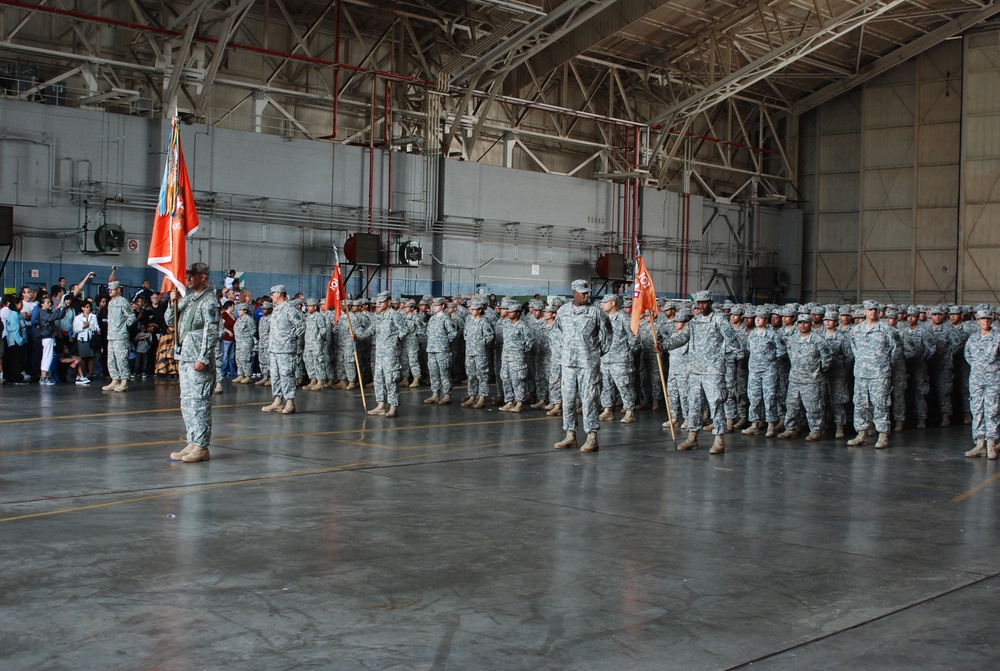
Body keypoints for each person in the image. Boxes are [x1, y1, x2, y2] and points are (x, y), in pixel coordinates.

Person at [660, 290, 739, 454]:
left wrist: (723, 356)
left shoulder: (719, 319)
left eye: (704, 303)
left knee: (716, 404)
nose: (701, 306)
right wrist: (664, 346)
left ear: (710, 302)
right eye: (698, 303)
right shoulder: (694, 322)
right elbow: (682, 338)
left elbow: (733, 341)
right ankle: (692, 437)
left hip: (713, 371)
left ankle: (719, 439)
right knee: (694, 405)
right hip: (695, 370)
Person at [164, 263, 221, 463]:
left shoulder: (209, 300)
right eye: (186, 275)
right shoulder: (187, 299)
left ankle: (202, 446)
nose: (187, 278)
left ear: (203, 276)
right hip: (185, 358)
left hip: (198, 359)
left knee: (199, 403)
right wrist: (172, 303)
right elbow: (170, 322)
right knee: (187, 403)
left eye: (192, 275)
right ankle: (192, 441)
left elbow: (212, 331)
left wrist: (204, 357)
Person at [553, 280, 612, 453]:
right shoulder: (563, 311)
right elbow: (556, 334)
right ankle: (570, 435)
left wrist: (596, 353)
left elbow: (608, 334)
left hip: (588, 364)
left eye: (587, 292)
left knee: (590, 400)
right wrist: (561, 354)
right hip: (569, 364)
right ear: (574, 293)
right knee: (568, 399)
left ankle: (592, 437)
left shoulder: (595, 312)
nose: (586, 295)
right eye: (583, 293)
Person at [847, 300, 898, 448]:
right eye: (869, 309)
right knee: (860, 404)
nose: (872, 312)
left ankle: (882, 436)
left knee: (880, 404)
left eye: (875, 309)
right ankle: (861, 434)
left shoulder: (887, 329)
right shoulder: (857, 330)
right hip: (861, 373)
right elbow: (854, 349)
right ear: (864, 311)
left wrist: (884, 364)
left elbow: (896, 350)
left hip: (879, 373)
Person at [779, 314, 833, 441]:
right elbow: (789, 354)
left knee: (813, 407)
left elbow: (827, 357)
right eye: (800, 323)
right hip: (795, 379)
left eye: (805, 323)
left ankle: (815, 431)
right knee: (792, 406)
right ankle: (791, 429)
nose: (802, 325)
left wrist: (819, 370)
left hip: (811, 380)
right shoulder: (792, 339)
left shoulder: (818, 340)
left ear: (811, 324)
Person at [357, 291, 409, 417]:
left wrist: (395, 340)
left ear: (389, 302)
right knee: (379, 379)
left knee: (391, 379)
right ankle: (381, 405)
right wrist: (357, 336)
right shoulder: (377, 316)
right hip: (379, 353)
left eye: (381, 302)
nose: (378, 304)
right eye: (377, 302)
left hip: (390, 353)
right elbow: (370, 330)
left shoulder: (394, 315)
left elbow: (404, 330)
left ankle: (393, 406)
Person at [742, 306, 787, 437]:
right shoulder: (753, 334)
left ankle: (771, 425)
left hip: (769, 371)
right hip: (754, 371)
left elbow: (782, 350)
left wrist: (771, 359)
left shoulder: (773, 334)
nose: (757, 320)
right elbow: (749, 349)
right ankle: (755, 424)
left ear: (766, 320)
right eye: (756, 318)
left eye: (761, 318)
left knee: (770, 398)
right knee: (754, 398)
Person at [262, 285, 305, 414]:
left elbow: (301, 327)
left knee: (287, 375)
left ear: (279, 294)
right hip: (274, 349)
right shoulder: (276, 310)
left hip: (286, 349)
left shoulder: (290, 309)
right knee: (275, 376)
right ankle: (277, 401)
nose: (271, 296)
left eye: (273, 294)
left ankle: (290, 402)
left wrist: (290, 339)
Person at [964, 308, 1000, 459]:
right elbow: (968, 356)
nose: (986, 321)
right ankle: (980, 444)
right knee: (977, 410)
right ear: (977, 321)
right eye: (983, 319)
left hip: (994, 379)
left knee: (992, 411)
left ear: (992, 320)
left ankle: (991, 444)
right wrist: (979, 368)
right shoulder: (972, 339)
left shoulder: (998, 338)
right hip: (976, 380)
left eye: (988, 319)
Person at [598, 294, 639, 424]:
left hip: (621, 359)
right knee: (606, 385)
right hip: (605, 358)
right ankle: (607, 409)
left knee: (624, 385)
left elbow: (633, 338)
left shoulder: (623, 318)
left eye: (605, 302)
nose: (602, 304)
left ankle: (629, 411)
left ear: (613, 303)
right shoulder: (603, 319)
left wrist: (627, 354)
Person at [498, 299, 534, 412]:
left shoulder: (522, 326)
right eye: (508, 312)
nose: (509, 313)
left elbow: (530, 340)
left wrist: (521, 350)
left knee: (517, 381)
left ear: (518, 313)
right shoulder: (506, 324)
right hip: (506, 358)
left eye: (511, 312)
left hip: (517, 358)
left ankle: (519, 403)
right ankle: (509, 401)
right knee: (506, 379)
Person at [103, 280, 137, 392]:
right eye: (109, 289)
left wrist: (126, 327)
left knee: (121, 359)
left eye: (112, 289)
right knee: (111, 359)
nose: (110, 291)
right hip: (111, 335)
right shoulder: (111, 303)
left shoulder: (123, 302)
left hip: (120, 336)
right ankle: (115, 379)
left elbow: (131, 316)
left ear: (118, 290)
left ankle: (124, 381)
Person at [424, 297, 459, 404]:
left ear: (443, 306)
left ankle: (447, 395)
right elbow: (428, 332)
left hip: (442, 350)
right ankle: (435, 394)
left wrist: (444, 342)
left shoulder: (446, 318)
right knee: (433, 372)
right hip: (431, 349)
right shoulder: (433, 318)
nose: (434, 307)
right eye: (433, 305)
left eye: (437, 305)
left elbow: (453, 333)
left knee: (444, 372)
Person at [461, 297, 494, 408]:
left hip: (480, 353)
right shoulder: (469, 320)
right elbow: (465, 334)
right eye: (471, 308)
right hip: (469, 352)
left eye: (474, 309)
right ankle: (472, 396)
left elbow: (490, 336)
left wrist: (481, 344)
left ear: (480, 310)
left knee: (482, 375)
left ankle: (482, 397)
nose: (472, 310)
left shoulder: (484, 322)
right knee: (471, 375)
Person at [3, 294, 28, 385]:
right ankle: (16, 378)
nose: (22, 305)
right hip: (16, 342)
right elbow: (15, 330)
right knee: (16, 361)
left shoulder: (16, 314)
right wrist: (20, 341)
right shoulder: (14, 315)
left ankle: (13, 377)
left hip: (16, 341)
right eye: (20, 303)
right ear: (15, 304)